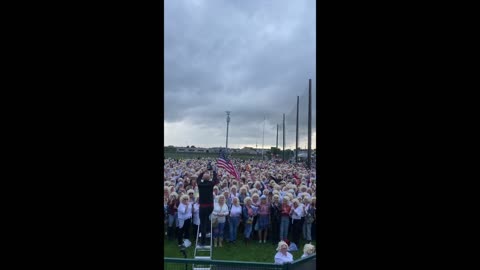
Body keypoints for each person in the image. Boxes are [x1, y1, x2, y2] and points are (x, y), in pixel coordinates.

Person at [197, 165, 219, 246]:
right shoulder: (211, 184)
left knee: (203, 223)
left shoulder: (200, 184)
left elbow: (198, 178)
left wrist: (203, 171)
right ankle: (208, 231)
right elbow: (215, 179)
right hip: (210, 207)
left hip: (202, 207)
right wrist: (213, 171)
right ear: (209, 178)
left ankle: (202, 242)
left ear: (203, 178)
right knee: (207, 220)